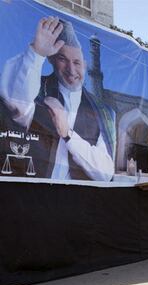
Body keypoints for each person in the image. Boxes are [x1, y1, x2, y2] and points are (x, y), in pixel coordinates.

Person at [0, 16, 115, 181]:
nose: (71, 69)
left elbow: (105, 173)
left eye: (76, 62)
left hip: (77, 199)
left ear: (85, 65)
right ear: (51, 59)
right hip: (31, 195)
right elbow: (17, 106)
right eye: (62, 59)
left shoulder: (102, 111)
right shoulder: (36, 90)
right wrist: (36, 53)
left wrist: (68, 133)